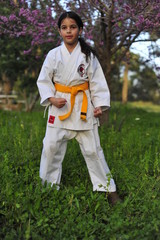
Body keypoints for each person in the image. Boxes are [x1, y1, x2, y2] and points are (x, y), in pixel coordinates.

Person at [37, 11, 120, 205]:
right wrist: (51, 98)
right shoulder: (53, 55)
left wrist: (99, 105)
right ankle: (48, 187)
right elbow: (43, 80)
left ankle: (108, 189)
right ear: (59, 31)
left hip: (83, 105)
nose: (69, 31)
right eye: (64, 28)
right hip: (60, 105)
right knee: (50, 147)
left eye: (73, 27)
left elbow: (97, 82)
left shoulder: (88, 56)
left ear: (80, 30)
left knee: (93, 150)